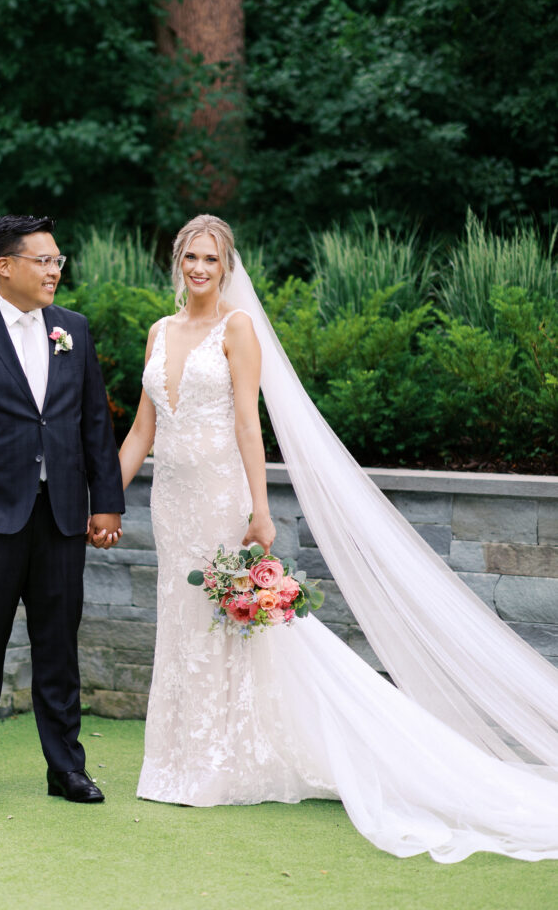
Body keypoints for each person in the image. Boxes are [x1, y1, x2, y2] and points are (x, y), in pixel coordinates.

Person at [118, 213, 558, 862]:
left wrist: (260, 511)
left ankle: (219, 763)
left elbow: (248, 424)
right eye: (190, 257)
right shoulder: (158, 332)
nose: (200, 269)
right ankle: (176, 761)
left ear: (227, 266)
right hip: (170, 503)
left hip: (221, 499)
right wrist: (101, 499)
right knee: (181, 622)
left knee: (230, 624)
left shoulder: (236, 329)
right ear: (176, 262)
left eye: (212, 259)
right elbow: (139, 430)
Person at [0, 214, 124, 806]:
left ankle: (66, 770)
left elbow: (94, 424)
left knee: (58, 645)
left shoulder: (73, 330)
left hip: (61, 515)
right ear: (4, 266)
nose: (56, 270)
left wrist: (105, 503)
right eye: (44, 260)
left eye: (59, 260)